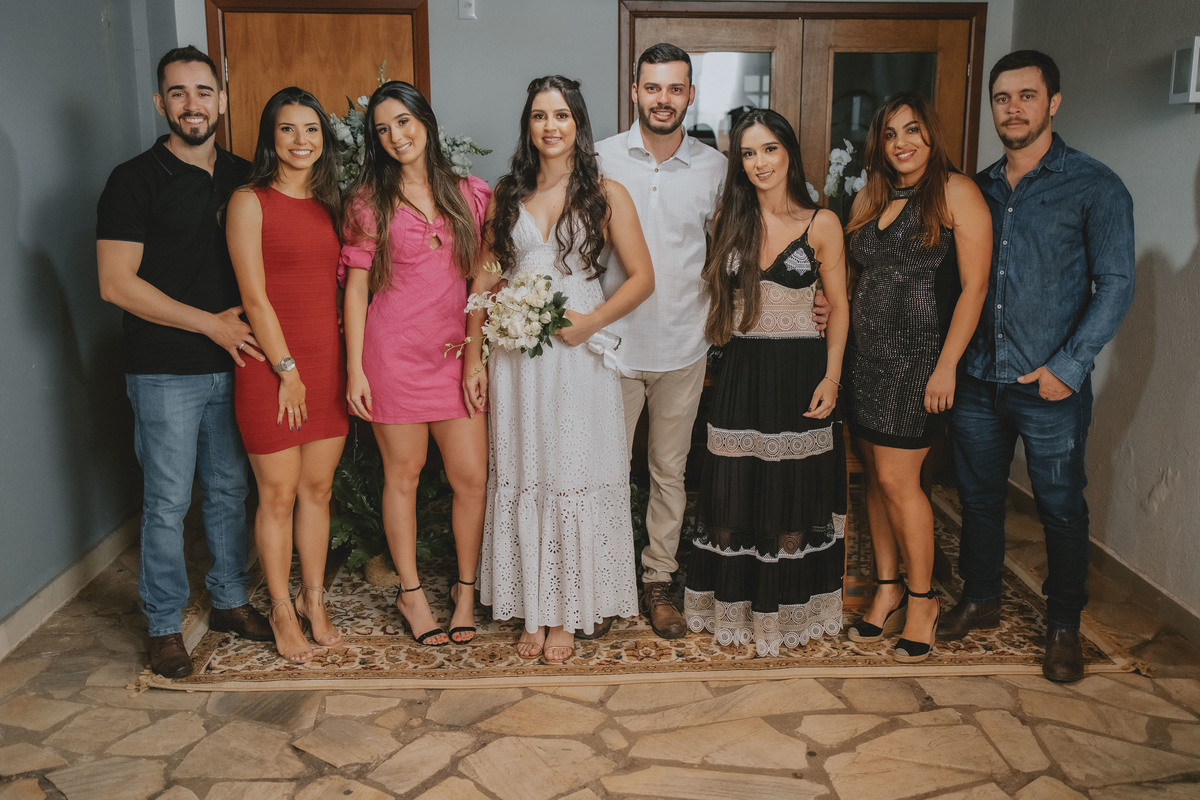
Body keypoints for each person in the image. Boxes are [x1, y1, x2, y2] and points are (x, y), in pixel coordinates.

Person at [937, 51, 1135, 683]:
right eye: (1002, 98)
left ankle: (1063, 625)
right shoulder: (976, 189)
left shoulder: (1096, 186)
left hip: (1050, 385)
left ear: (1054, 103)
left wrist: (1068, 366)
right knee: (978, 499)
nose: (1013, 108)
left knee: (1060, 506)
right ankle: (981, 598)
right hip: (978, 379)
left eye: (1027, 96)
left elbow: (1117, 284)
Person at [464, 75, 654, 664]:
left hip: (578, 356)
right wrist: (473, 356)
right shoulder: (507, 194)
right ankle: (533, 609)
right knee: (526, 467)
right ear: (528, 125)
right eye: (540, 116)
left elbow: (644, 278)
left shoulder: (606, 194)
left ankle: (568, 612)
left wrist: (591, 322)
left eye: (562, 115)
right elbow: (484, 278)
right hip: (517, 358)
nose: (551, 126)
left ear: (578, 124)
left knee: (572, 467)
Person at [96, 46, 271, 679]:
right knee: (168, 501)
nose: (192, 104)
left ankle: (228, 600)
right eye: (178, 93)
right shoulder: (133, 180)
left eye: (203, 91)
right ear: (159, 102)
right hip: (164, 367)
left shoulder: (247, 177)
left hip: (239, 363)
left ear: (221, 100)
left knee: (229, 489)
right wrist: (210, 325)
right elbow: (116, 283)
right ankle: (165, 625)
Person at [683, 108, 850, 656]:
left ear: (789, 153)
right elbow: (714, 300)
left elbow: (839, 306)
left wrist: (832, 376)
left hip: (800, 372)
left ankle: (787, 611)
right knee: (735, 488)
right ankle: (735, 607)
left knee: (792, 491)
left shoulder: (821, 223)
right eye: (748, 153)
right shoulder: (727, 222)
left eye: (770, 149)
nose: (760, 162)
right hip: (741, 371)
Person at [841, 93, 991, 663]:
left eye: (912, 130)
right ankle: (887, 590)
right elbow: (855, 276)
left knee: (900, 481)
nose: (901, 143)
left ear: (931, 135)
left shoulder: (956, 191)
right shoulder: (869, 197)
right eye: (890, 134)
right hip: (865, 361)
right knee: (876, 480)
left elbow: (974, 288)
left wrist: (947, 365)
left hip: (919, 362)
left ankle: (923, 600)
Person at [341, 81, 491, 647]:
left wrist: (476, 357)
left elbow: (486, 277)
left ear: (425, 121)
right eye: (382, 129)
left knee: (470, 477)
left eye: (403, 121)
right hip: (393, 356)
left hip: (456, 356)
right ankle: (410, 593)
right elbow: (357, 290)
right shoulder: (367, 202)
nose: (395, 136)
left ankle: (465, 589)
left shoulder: (471, 193)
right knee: (402, 476)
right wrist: (355, 369)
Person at [595, 43, 726, 640]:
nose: (663, 99)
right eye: (653, 87)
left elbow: (731, 253)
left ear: (690, 95)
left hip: (683, 344)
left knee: (669, 472)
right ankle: (604, 582)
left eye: (675, 89)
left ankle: (657, 580)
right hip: (609, 347)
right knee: (605, 471)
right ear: (635, 92)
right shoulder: (598, 159)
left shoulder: (715, 168)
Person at [226, 87, 348, 663]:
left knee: (318, 491)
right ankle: (280, 608)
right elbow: (254, 297)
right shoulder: (249, 201)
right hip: (272, 369)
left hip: (327, 364)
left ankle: (312, 599)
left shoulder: (331, 204)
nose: (301, 141)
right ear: (270, 138)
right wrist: (286, 370)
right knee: (277, 493)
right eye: (288, 129)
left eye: (311, 130)